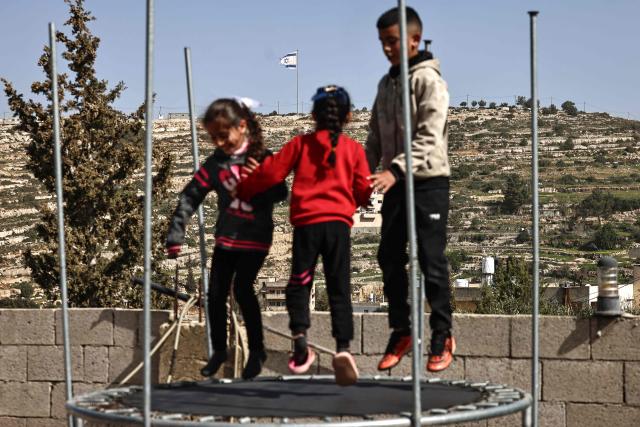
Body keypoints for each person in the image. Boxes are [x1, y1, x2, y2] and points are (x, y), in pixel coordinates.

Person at [236, 85, 372, 386]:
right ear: (348, 116)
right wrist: (360, 196)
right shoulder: (354, 150)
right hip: (338, 226)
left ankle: (300, 340)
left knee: (300, 281)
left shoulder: (300, 144)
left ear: (313, 115)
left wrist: (243, 189)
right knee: (339, 286)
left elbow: (271, 174)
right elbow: (364, 190)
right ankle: (344, 348)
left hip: (307, 225)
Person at [165, 98, 287, 380]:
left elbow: (281, 191)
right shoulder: (215, 164)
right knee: (216, 293)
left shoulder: (262, 157)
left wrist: (258, 182)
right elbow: (191, 196)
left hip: (255, 237)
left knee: (243, 288)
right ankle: (219, 349)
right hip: (227, 238)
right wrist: (176, 233)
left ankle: (257, 350)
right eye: (214, 137)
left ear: (241, 127)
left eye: (224, 135)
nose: (220, 142)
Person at [365, 6, 455, 373]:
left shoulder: (429, 81)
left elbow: (430, 138)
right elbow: (373, 137)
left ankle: (442, 333)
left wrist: (396, 169)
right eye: (383, 43)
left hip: (428, 180)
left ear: (414, 40)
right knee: (388, 255)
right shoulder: (386, 85)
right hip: (396, 184)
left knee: (430, 259)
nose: (387, 48)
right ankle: (401, 329)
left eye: (393, 41)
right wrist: (361, 172)